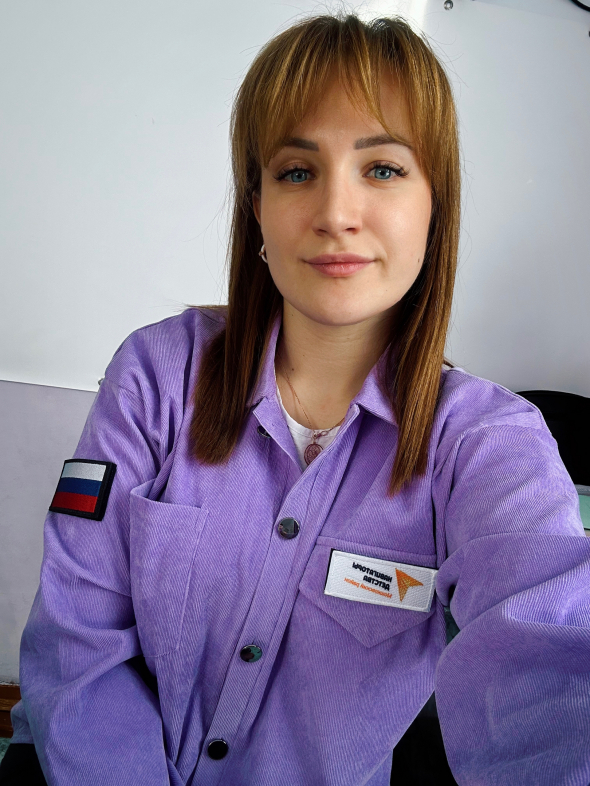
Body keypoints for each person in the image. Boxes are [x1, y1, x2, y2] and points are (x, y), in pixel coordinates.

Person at [2, 12, 590, 786]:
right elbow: (78, 644)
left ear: (435, 204)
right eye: (296, 171)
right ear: (257, 206)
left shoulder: (487, 441)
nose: (337, 214)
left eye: (383, 169)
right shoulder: (157, 373)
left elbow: (550, 659)